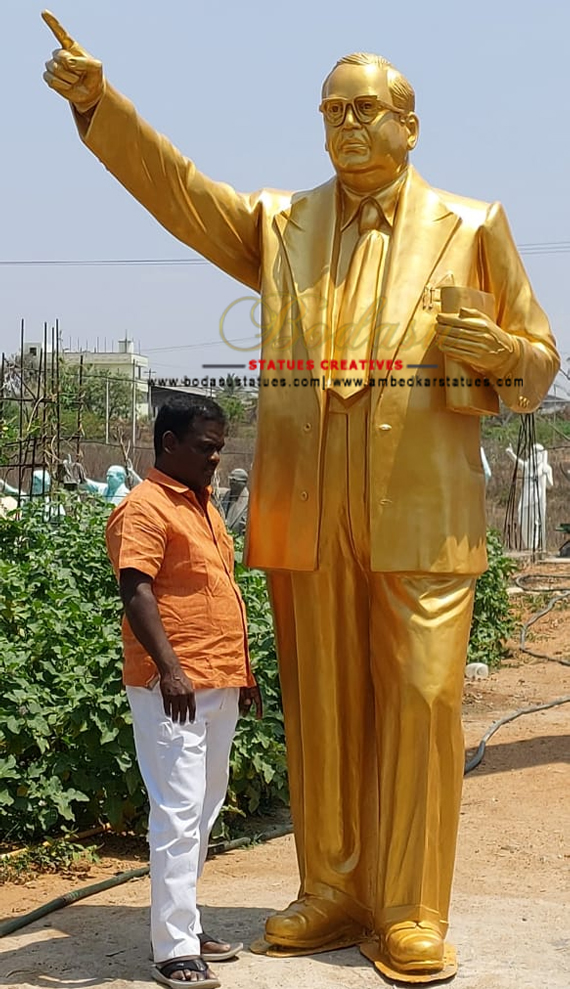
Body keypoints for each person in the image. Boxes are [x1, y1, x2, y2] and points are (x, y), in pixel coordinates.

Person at [43, 16, 560, 979]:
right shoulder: (284, 224)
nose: (345, 125)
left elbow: (538, 362)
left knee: (419, 698)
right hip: (310, 510)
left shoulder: (473, 225)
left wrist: (500, 355)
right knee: (322, 704)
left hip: (421, 514)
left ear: (411, 125)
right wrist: (99, 107)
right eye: (331, 110)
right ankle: (333, 886)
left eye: (365, 110)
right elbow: (185, 196)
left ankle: (410, 906)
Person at [105, 393, 262, 989]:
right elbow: (137, 591)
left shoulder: (203, 508)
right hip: (171, 686)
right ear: (169, 444)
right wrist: (170, 669)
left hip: (217, 679)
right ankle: (172, 949)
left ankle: (186, 926)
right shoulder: (144, 508)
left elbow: (217, 593)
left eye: (220, 448)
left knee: (204, 806)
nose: (216, 459)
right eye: (206, 447)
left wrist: (244, 674)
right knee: (177, 813)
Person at [506, 442, 553, 551]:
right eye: (533, 452)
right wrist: (511, 453)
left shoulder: (546, 468)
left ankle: (534, 546)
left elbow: (550, 486)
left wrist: (546, 474)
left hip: (538, 499)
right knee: (523, 520)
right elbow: (518, 462)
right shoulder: (528, 466)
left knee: (535, 521)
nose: (535, 455)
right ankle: (528, 545)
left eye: (537, 452)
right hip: (526, 498)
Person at [220, 468, 249, 536]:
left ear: (243, 483)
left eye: (235, 481)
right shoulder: (225, 496)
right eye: (230, 480)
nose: (231, 483)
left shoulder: (249, 501)